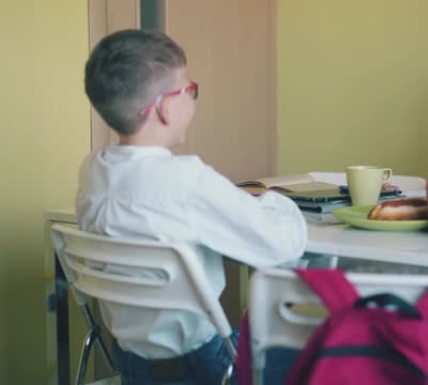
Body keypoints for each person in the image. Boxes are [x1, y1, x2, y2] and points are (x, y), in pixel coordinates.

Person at [78, 29, 307, 384]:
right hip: (206, 367)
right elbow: (281, 247)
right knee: (305, 339)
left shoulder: (94, 170)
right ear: (166, 107)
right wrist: (275, 201)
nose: (193, 97)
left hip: (132, 364)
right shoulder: (186, 180)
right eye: (190, 89)